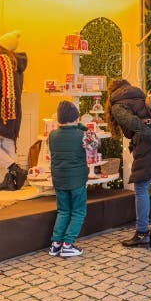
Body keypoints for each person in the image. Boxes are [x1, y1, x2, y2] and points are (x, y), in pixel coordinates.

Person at [106, 79, 151, 248]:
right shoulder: (141, 96)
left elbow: (133, 125)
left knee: (141, 188)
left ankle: (142, 233)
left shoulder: (117, 105)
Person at [0, 31, 28, 191]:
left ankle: (16, 169)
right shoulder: (17, 64)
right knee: (8, 144)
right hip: (14, 109)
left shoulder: (1, 61)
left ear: (2, 47)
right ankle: (10, 181)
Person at [47, 101, 88, 258]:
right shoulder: (81, 135)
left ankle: (55, 244)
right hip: (77, 180)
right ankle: (68, 244)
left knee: (63, 211)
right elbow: (95, 143)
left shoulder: (52, 135)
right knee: (79, 211)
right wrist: (83, 127)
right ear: (76, 118)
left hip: (59, 179)